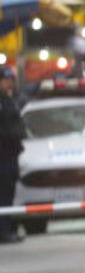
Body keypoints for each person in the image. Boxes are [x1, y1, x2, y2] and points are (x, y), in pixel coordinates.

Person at [0, 65, 24, 244]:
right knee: (3, 195)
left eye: (11, 80)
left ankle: (8, 228)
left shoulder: (10, 99)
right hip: (3, 156)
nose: (9, 83)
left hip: (10, 155)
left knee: (8, 194)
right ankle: (4, 231)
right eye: (6, 80)